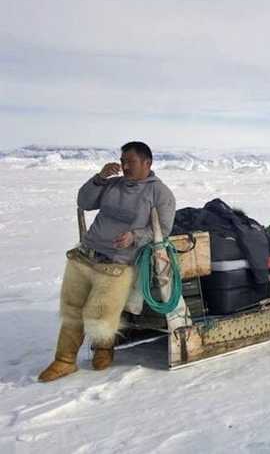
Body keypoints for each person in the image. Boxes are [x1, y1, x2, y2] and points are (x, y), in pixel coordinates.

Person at [38, 141, 176, 382]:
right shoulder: (113, 185)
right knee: (72, 308)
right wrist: (100, 178)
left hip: (119, 261)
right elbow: (84, 202)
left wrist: (135, 236)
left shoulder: (160, 193)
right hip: (88, 253)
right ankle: (64, 360)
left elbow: (163, 230)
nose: (124, 166)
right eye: (122, 161)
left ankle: (104, 348)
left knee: (99, 312)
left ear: (147, 163)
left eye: (130, 162)